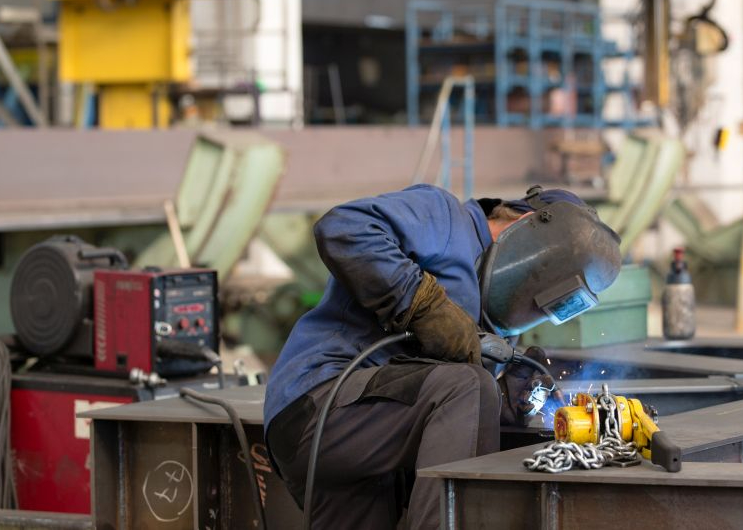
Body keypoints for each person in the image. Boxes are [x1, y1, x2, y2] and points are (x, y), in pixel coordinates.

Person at [264, 184, 621, 530]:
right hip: (317, 410)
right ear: (526, 226)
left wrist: (504, 406)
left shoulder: (491, 321)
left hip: (373, 459)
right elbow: (344, 228)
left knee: (476, 389)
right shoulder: (446, 219)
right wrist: (422, 304)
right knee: (468, 387)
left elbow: (446, 418)